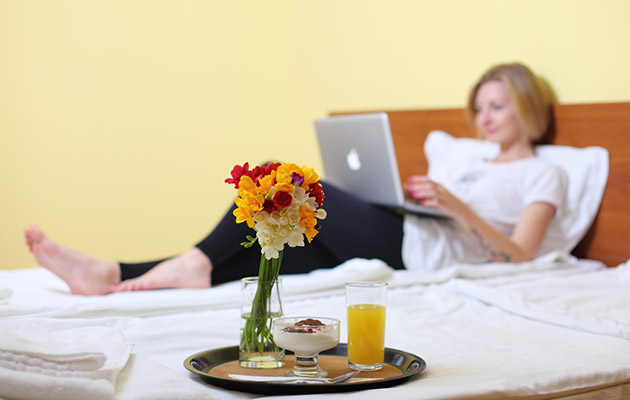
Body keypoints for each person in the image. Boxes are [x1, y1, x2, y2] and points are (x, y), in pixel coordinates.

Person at [24, 62, 567, 295]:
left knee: (279, 177)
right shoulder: (468, 161)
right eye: (479, 106)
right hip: (403, 229)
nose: (485, 116)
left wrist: (457, 209)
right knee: (270, 251)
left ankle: (192, 261)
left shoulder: (543, 172)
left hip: (417, 252)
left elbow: (522, 254)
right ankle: (109, 272)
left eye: (498, 104)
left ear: (527, 104)